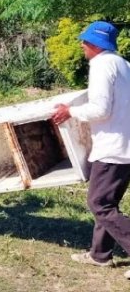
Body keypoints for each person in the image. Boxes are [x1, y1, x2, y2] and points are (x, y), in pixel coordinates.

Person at [51, 20, 130, 280]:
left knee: (99, 203)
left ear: (95, 44)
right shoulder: (123, 64)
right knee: (108, 203)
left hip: (113, 148)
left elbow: (100, 109)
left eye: (85, 41)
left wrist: (69, 111)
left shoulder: (100, 65)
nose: (82, 45)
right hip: (125, 146)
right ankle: (100, 255)